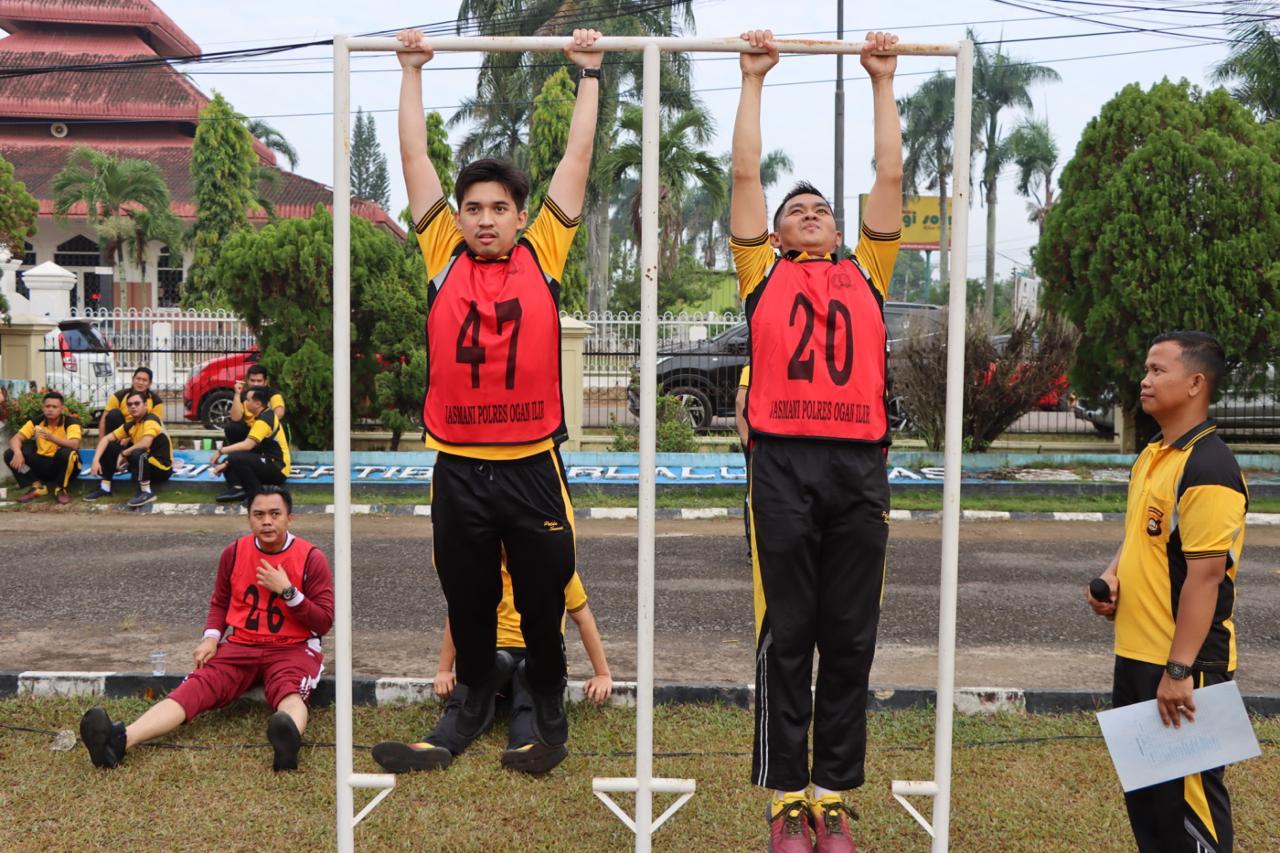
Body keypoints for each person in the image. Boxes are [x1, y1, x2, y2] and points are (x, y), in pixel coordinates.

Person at [379, 26, 603, 766]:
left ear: (518, 214)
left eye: (496, 208)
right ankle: (461, 719)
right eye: (471, 207)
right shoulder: (441, 254)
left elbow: (575, 160)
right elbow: (414, 158)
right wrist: (412, 71)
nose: (481, 218)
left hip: (530, 464)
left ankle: (545, 723)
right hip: (459, 467)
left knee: (541, 605)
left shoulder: (544, 253)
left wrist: (590, 76)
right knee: (468, 601)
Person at [730, 29, 903, 852]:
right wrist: (753, 79)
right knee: (787, 632)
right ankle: (785, 798)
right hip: (784, 461)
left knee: (850, 634)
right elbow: (742, 177)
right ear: (779, 231)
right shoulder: (761, 273)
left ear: (837, 230)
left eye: (820, 208)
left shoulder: (868, 268)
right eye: (796, 209)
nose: (809, 213)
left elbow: (890, 177)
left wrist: (881, 80)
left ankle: (831, 796)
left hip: (860, 462)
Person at [1086, 331, 1246, 853]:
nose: (1145, 379)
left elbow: (1206, 577)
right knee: (1152, 815)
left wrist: (1179, 671)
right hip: (1136, 657)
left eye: (1158, 370)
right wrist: (1114, 577)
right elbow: (1142, 537)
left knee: (1189, 817)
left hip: (1184, 669)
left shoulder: (1210, 467)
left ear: (1196, 383)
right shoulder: (1155, 454)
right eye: (1146, 369)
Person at [80, 486, 333, 773]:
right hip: (241, 645)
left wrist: (288, 592)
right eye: (258, 514)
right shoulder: (234, 552)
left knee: (290, 695)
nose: (267, 521)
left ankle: (289, 743)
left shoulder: (312, 557)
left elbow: (323, 621)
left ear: (290, 519)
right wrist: (211, 638)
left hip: (292, 647)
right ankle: (118, 742)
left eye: (275, 514)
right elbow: (221, 602)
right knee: (194, 688)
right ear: (249, 519)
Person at [372, 563, 612, 775]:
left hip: (538, 654)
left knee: (531, 685)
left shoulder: (553, 565)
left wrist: (603, 674)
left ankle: (525, 749)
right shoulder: (481, 566)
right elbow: (458, 617)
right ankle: (434, 746)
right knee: (474, 687)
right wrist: (444, 670)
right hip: (493, 656)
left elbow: (584, 619)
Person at [83, 390, 173, 508]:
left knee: (138, 453)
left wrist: (124, 453)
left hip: (161, 468)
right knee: (110, 446)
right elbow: (105, 439)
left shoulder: (151, 419)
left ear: (145, 405)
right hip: (143, 465)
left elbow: (145, 443)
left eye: (137, 403)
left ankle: (147, 492)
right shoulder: (131, 425)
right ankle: (105, 487)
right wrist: (95, 461)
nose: (133, 407)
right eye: (130, 404)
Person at [211, 387, 290, 506]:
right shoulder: (265, 415)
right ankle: (237, 489)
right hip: (269, 462)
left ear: (258, 404)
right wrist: (226, 462)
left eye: (248, 400)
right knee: (231, 460)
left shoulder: (264, 420)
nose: (245, 403)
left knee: (235, 457)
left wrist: (221, 451)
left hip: (278, 468)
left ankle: (256, 494)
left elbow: (248, 445)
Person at [5, 390, 81, 504]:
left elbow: (75, 444)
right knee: (10, 454)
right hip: (41, 464)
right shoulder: (36, 421)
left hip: (61, 466)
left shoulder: (71, 422)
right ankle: (36, 485)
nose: (50, 409)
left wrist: (52, 438)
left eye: (54, 407)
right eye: (48, 406)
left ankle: (61, 489)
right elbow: (15, 439)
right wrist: (18, 453)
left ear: (62, 409)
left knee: (68, 453)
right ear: (43, 408)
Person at [225, 364, 286, 445]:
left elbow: (280, 412)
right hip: (250, 430)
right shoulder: (243, 395)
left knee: (283, 426)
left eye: (259, 381)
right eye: (252, 380)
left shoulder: (272, 393)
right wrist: (237, 394)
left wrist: (261, 425)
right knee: (231, 427)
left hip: (266, 429)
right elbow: (235, 418)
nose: (255, 384)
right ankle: (239, 452)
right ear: (247, 381)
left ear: (265, 382)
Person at [99, 367, 163, 436]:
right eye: (138, 379)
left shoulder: (156, 401)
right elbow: (104, 421)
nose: (140, 382)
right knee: (114, 414)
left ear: (150, 383)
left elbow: (155, 424)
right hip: (120, 434)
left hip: (141, 435)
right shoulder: (119, 396)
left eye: (144, 380)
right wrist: (102, 442)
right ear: (133, 379)